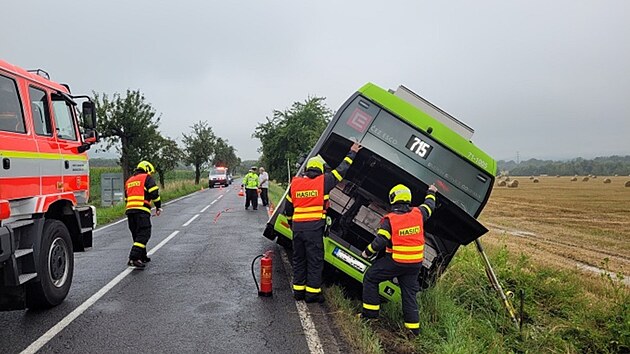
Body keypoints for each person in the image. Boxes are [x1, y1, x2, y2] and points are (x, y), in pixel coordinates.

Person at [284, 142, 362, 303]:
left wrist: (292, 224)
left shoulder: (295, 183)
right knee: (314, 260)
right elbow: (342, 170)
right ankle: (312, 293)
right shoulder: (324, 181)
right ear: (320, 170)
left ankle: (298, 291)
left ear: (306, 170)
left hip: (298, 228)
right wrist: (352, 152)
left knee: (299, 259)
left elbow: (288, 208)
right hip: (314, 229)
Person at [359, 183, 437, 336]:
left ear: (392, 199)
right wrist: (432, 191)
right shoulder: (418, 213)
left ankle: (370, 316)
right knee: (409, 294)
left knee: (371, 277)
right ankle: (413, 330)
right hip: (415, 264)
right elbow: (430, 205)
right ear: (408, 198)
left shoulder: (390, 220)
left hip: (396, 262)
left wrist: (366, 253)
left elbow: (380, 242)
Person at [124, 160, 162, 268]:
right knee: (144, 233)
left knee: (137, 234)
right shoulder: (146, 178)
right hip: (141, 210)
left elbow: (127, 198)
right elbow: (154, 193)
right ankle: (134, 258)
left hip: (130, 211)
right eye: (151, 172)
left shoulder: (129, 180)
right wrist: (158, 206)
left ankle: (142, 256)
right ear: (147, 169)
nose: (151, 174)